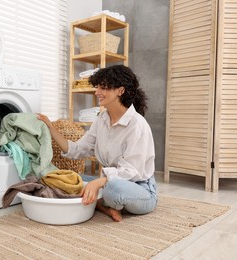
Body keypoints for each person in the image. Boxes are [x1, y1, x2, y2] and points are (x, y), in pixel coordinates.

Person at [37, 64, 157, 222]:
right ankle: (104, 205)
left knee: (114, 189)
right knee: (65, 179)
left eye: (103, 87)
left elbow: (131, 171)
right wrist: (50, 127)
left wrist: (97, 183)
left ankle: (101, 201)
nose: (97, 92)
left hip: (139, 189)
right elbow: (77, 149)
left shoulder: (137, 125)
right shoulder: (102, 119)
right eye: (98, 87)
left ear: (120, 91)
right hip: (108, 182)